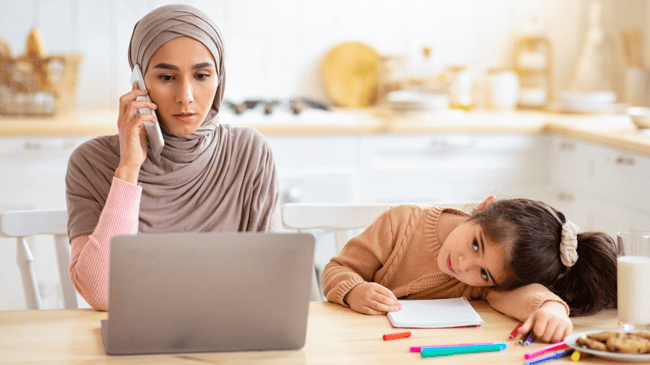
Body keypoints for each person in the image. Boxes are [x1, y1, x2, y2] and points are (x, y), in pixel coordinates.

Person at [66, 4, 281, 311]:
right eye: (167, 77)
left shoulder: (250, 152)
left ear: (219, 78)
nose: (186, 97)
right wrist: (128, 168)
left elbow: (270, 282)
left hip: (227, 340)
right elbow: (102, 294)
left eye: (202, 75)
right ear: (139, 83)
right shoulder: (90, 162)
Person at [321, 197, 617, 343]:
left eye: (484, 273)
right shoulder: (399, 223)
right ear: (483, 207)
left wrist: (552, 309)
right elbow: (338, 268)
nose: (464, 266)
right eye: (476, 245)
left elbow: (524, 295)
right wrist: (353, 291)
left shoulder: (485, 285)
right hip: (361, 346)